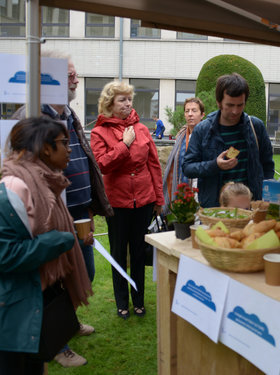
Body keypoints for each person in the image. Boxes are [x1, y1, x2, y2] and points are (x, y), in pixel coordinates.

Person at [11, 50, 112, 367]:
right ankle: (57, 343)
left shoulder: (68, 113)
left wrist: (90, 209)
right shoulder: (31, 117)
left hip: (79, 211)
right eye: (68, 74)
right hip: (50, 216)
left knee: (85, 273)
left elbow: (82, 161)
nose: (75, 79)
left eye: (74, 74)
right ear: (46, 77)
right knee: (53, 279)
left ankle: (67, 323)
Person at [0, 117, 92, 374]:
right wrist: (59, 241)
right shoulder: (14, 185)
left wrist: (70, 235)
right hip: (14, 312)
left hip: (33, 302)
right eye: (64, 143)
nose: (70, 148)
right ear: (45, 148)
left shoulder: (45, 181)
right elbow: (4, 254)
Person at [90, 80, 165, 320]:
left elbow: (153, 164)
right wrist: (124, 144)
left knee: (140, 253)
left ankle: (139, 299)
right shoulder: (98, 132)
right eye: (122, 99)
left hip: (143, 200)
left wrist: (158, 198)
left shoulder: (142, 129)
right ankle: (122, 301)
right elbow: (103, 164)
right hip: (118, 203)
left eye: (129, 99)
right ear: (110, 104)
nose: (127, 103)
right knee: (119, 253)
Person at [183, 73, 274, 207]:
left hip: (250, 207)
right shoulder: (203, 130)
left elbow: (267, 166)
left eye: (240, 105)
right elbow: (188, 167)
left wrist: (265, 198)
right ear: (219, 102)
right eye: (230, 105)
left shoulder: (256, 127)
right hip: (215, 209)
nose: (235, 111)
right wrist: (215, 165)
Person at [163, 97, 205, 214]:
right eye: (187, 111)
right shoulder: (181, 135)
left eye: (194, 111)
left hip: (200, 189)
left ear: (202, 115)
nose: (190, 114)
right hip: (181, 187)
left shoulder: (207, 136)